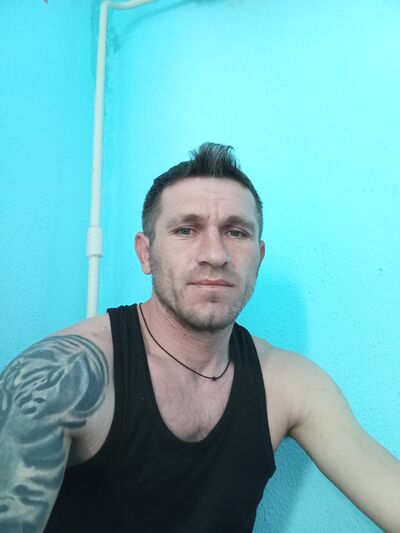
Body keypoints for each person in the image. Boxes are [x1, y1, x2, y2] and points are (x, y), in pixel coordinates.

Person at [0, 143, 399, 533]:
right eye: (186, 230)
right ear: (145, 253)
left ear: (258, 257)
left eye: (236, 232)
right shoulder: (62, 377)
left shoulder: (290, 384)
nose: (215, 254)